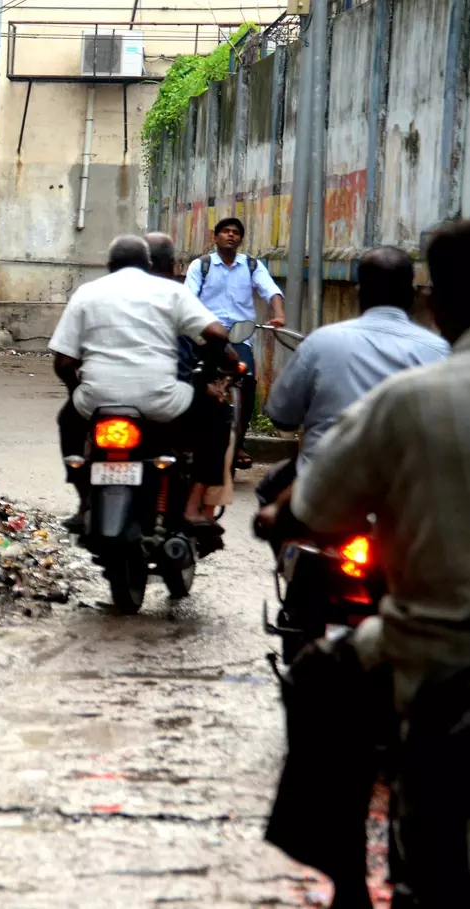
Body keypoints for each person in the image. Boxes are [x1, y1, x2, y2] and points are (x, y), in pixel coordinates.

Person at [260, 220, 470, 906]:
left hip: (434, 651)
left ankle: (347, 880)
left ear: (437, 301)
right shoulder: (416, 374)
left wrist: (274, 516)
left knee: (317, 675)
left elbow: (306, 507)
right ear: (414, 301)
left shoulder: (414, 398)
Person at [50, 235, 235, 526]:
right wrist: (205, 376)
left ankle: (85, 501)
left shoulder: (87, 293)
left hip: (97, 402)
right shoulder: (170, 291)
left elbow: (64, 362)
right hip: (161, 401)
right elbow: (217, 335)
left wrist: (78, 393)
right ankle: (191, 506)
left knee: (66, 421)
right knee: (217, 415)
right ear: (148, 264)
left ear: (109, 266)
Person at [256, 246, 450, 506]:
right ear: (412, 294)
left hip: (324, 487)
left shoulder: (321, 342)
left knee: (270, 495)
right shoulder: (439, 351)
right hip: (409, 493)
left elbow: (282, 416)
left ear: (360, 292)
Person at [184, 217, 287, 469]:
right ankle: (189, 434)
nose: (231, 236)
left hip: (240, 335)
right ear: (215, 236)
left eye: (236, 233)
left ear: (240, 239)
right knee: (193, 379)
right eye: (226, 232)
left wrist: (279, 314)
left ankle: (239, 441)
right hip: (207, 335)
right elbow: (188, 297)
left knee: (248, 381)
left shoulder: (251, 265)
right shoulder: (202, 265)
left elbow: (270, 290)